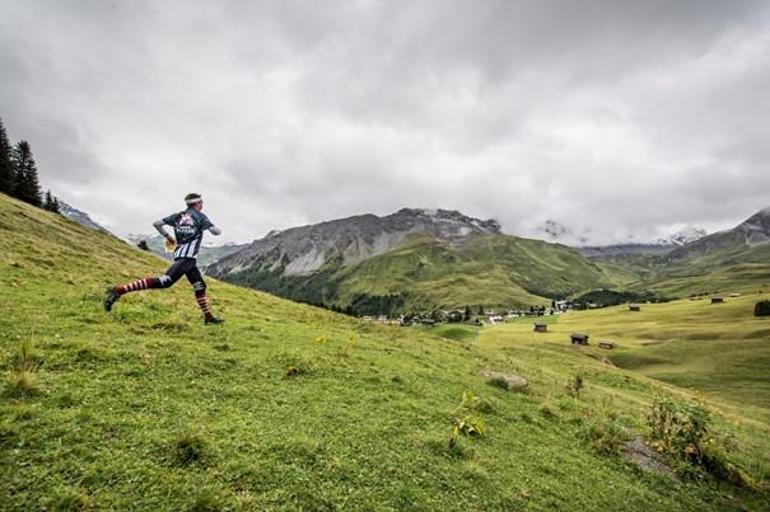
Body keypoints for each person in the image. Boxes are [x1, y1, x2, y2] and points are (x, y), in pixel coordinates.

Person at [103, 193, 224, 324]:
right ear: (196, 204)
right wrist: (211, 228)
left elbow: (156, 224)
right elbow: (216, 232)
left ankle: (209, 317)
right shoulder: (200, 217)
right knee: (165, 281)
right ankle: (119, 290)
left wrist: (167, 236)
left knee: (200, 286)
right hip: (187, 258)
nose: (202, 205)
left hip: (182, 257)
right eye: (201, 203)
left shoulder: (178, 216)